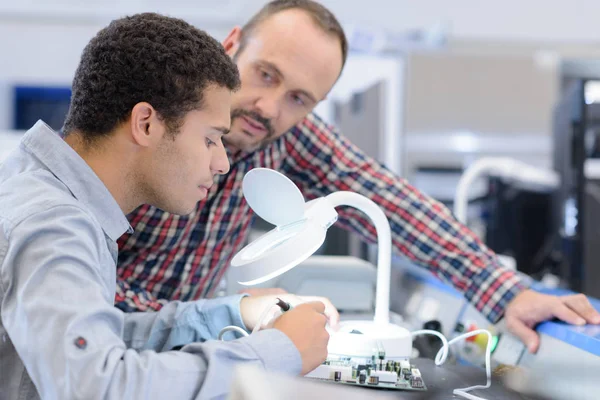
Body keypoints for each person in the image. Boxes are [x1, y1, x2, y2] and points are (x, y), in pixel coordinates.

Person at [116, 0, 600, 354]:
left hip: (178, 361)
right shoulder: (148, 121)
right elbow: (74, 298)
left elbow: (395, 207)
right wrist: (227, 314)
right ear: (231, 48)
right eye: (265, 74)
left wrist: (507, 290)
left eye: (299, 99)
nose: (269, 108)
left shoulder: (287, 138)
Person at [0, 13, 335, 399]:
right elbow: (97, 384)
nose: (222, 163)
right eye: (210, 139)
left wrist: (234, 313)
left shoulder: (54, 197)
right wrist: (277, 353)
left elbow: (96, 341)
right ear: (145, 124)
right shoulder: (53, 226)